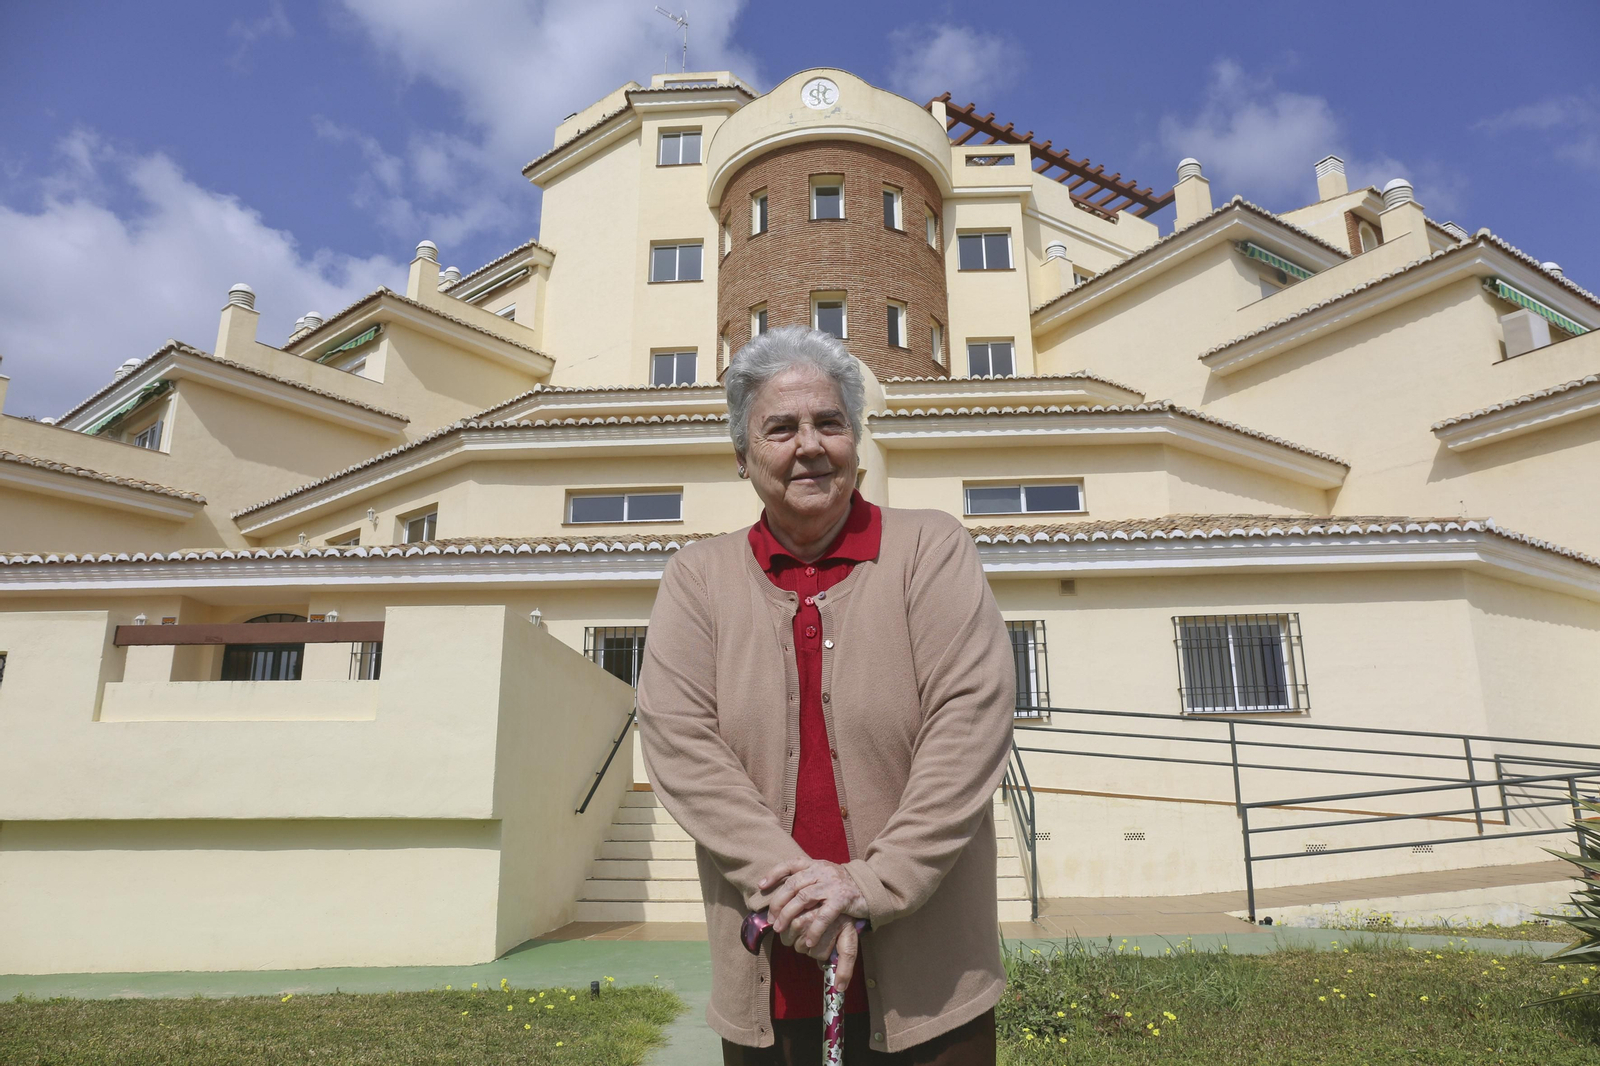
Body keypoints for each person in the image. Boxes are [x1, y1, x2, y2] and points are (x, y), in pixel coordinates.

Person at [637, 326, 1017, 1064]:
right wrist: (802, 899)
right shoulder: (697, 578)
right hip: (772, 977)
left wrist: (870, 887)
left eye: (830, 423)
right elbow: (680, 744)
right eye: (780, 428)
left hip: (933, 988)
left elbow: (967, 726)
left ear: (857, 441)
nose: (809, 445)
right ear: (742, 457)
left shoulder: (930, 549)